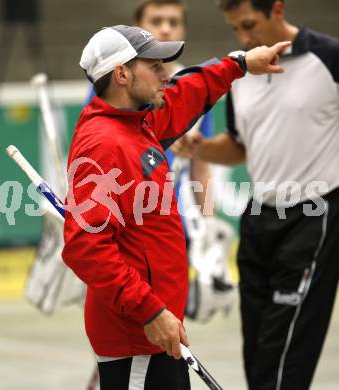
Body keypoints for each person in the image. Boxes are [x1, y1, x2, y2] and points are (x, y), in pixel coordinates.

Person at [62, 23, 289, 390]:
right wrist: (149, 312)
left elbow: (186, 93)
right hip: (137, 339)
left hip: (153, 334)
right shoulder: (105, 144)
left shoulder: (138, 124)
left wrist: (241, 64)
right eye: (154, 67)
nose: (166, 74)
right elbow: (85, 247)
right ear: (121, 74)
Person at [173, 1, 339, 389]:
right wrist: (198, 146)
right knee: (258, 352)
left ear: (277, 9)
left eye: (249, 25)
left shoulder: (329, 58)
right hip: (259, 218)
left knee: (285, 353)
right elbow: (240, 147)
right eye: (235, 29)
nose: (245, 38)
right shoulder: (242, 72)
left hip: (313, 218)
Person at [134, 0, 237, 322]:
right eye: (156, 20)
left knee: (168, 327)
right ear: (137, 27)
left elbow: (200, 168)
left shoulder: (191, 89)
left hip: (169, 228)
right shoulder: (114, 82)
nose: (165, 28)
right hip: (125, 222)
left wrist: (207, 224)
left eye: (173, 22)